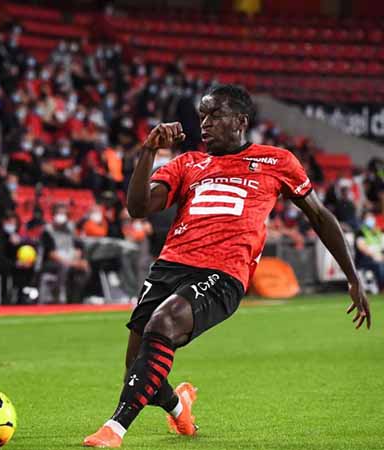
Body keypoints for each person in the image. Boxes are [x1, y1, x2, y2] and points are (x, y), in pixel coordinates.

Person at [83, 84, 371, 448]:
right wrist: (149, 151)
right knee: (138, 373)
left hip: (223, 273)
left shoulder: (277, 161)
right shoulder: (188, 163)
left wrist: (352, 275)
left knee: (164, 322)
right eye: (202, 115)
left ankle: (114, 429)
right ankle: (179, 407)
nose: (205, 123)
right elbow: (139, 208)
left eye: (214, 115)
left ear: (240, 121)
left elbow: (320, 215)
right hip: (169, 266)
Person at [355, 210, 384, 289]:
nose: (370, 219)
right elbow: (362, 247)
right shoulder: (360, 232)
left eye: (371, 217)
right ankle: (382, 287)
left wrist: (381, 256)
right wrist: (375, 256)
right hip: (365, 259)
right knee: (379, 265)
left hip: (379, 257)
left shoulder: (378, 231)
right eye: (368, 217)